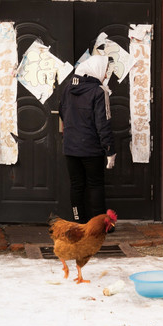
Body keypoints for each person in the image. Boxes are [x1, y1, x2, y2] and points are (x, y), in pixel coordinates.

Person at [59, 55, 116, 223]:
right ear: (96, 70)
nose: (106, 75)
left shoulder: (67, 88)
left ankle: (78, 222)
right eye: (105, 71)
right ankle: (99, 225)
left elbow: (62, 112)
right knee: (95, 184)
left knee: (76, 185)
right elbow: (103, 123)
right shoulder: (99, 91)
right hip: (92, 148)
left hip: (70, 147)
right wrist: (110, 150)